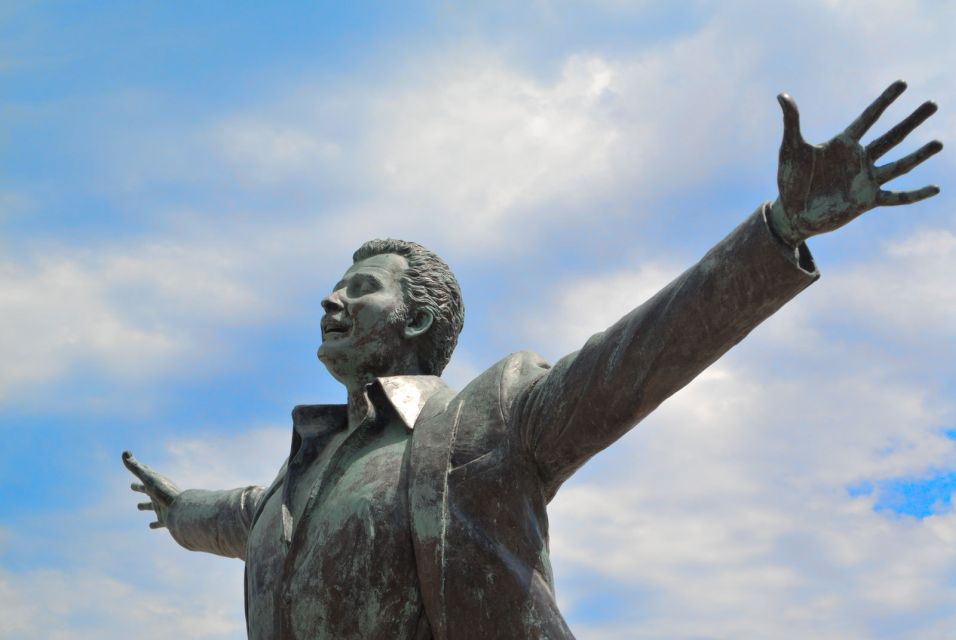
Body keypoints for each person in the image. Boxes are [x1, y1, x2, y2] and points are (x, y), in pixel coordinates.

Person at [123, 82, 942, 639]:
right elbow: (227, 514)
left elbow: (638, 356)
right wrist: (176, 508)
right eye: (333, 289)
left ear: (418, 318)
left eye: (359, 289)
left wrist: (776, 232)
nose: (331, 302)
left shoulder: (487, 421)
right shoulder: (294, 481)